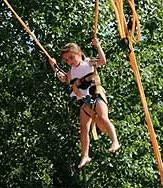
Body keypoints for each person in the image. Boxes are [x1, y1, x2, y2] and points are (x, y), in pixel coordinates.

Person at [49, 38, 120, 169]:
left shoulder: (88, 63)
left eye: (71, 57)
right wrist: (54, 67)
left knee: (104, 118)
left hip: (96, 94)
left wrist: (98, 46)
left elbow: (103, 61)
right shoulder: (72, 72)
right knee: (83, 129)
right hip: (85, 101)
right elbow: (64, 78)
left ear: (80, 53)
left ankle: (115, 141)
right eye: (67, 60)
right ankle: (85, 155)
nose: (70, 61)